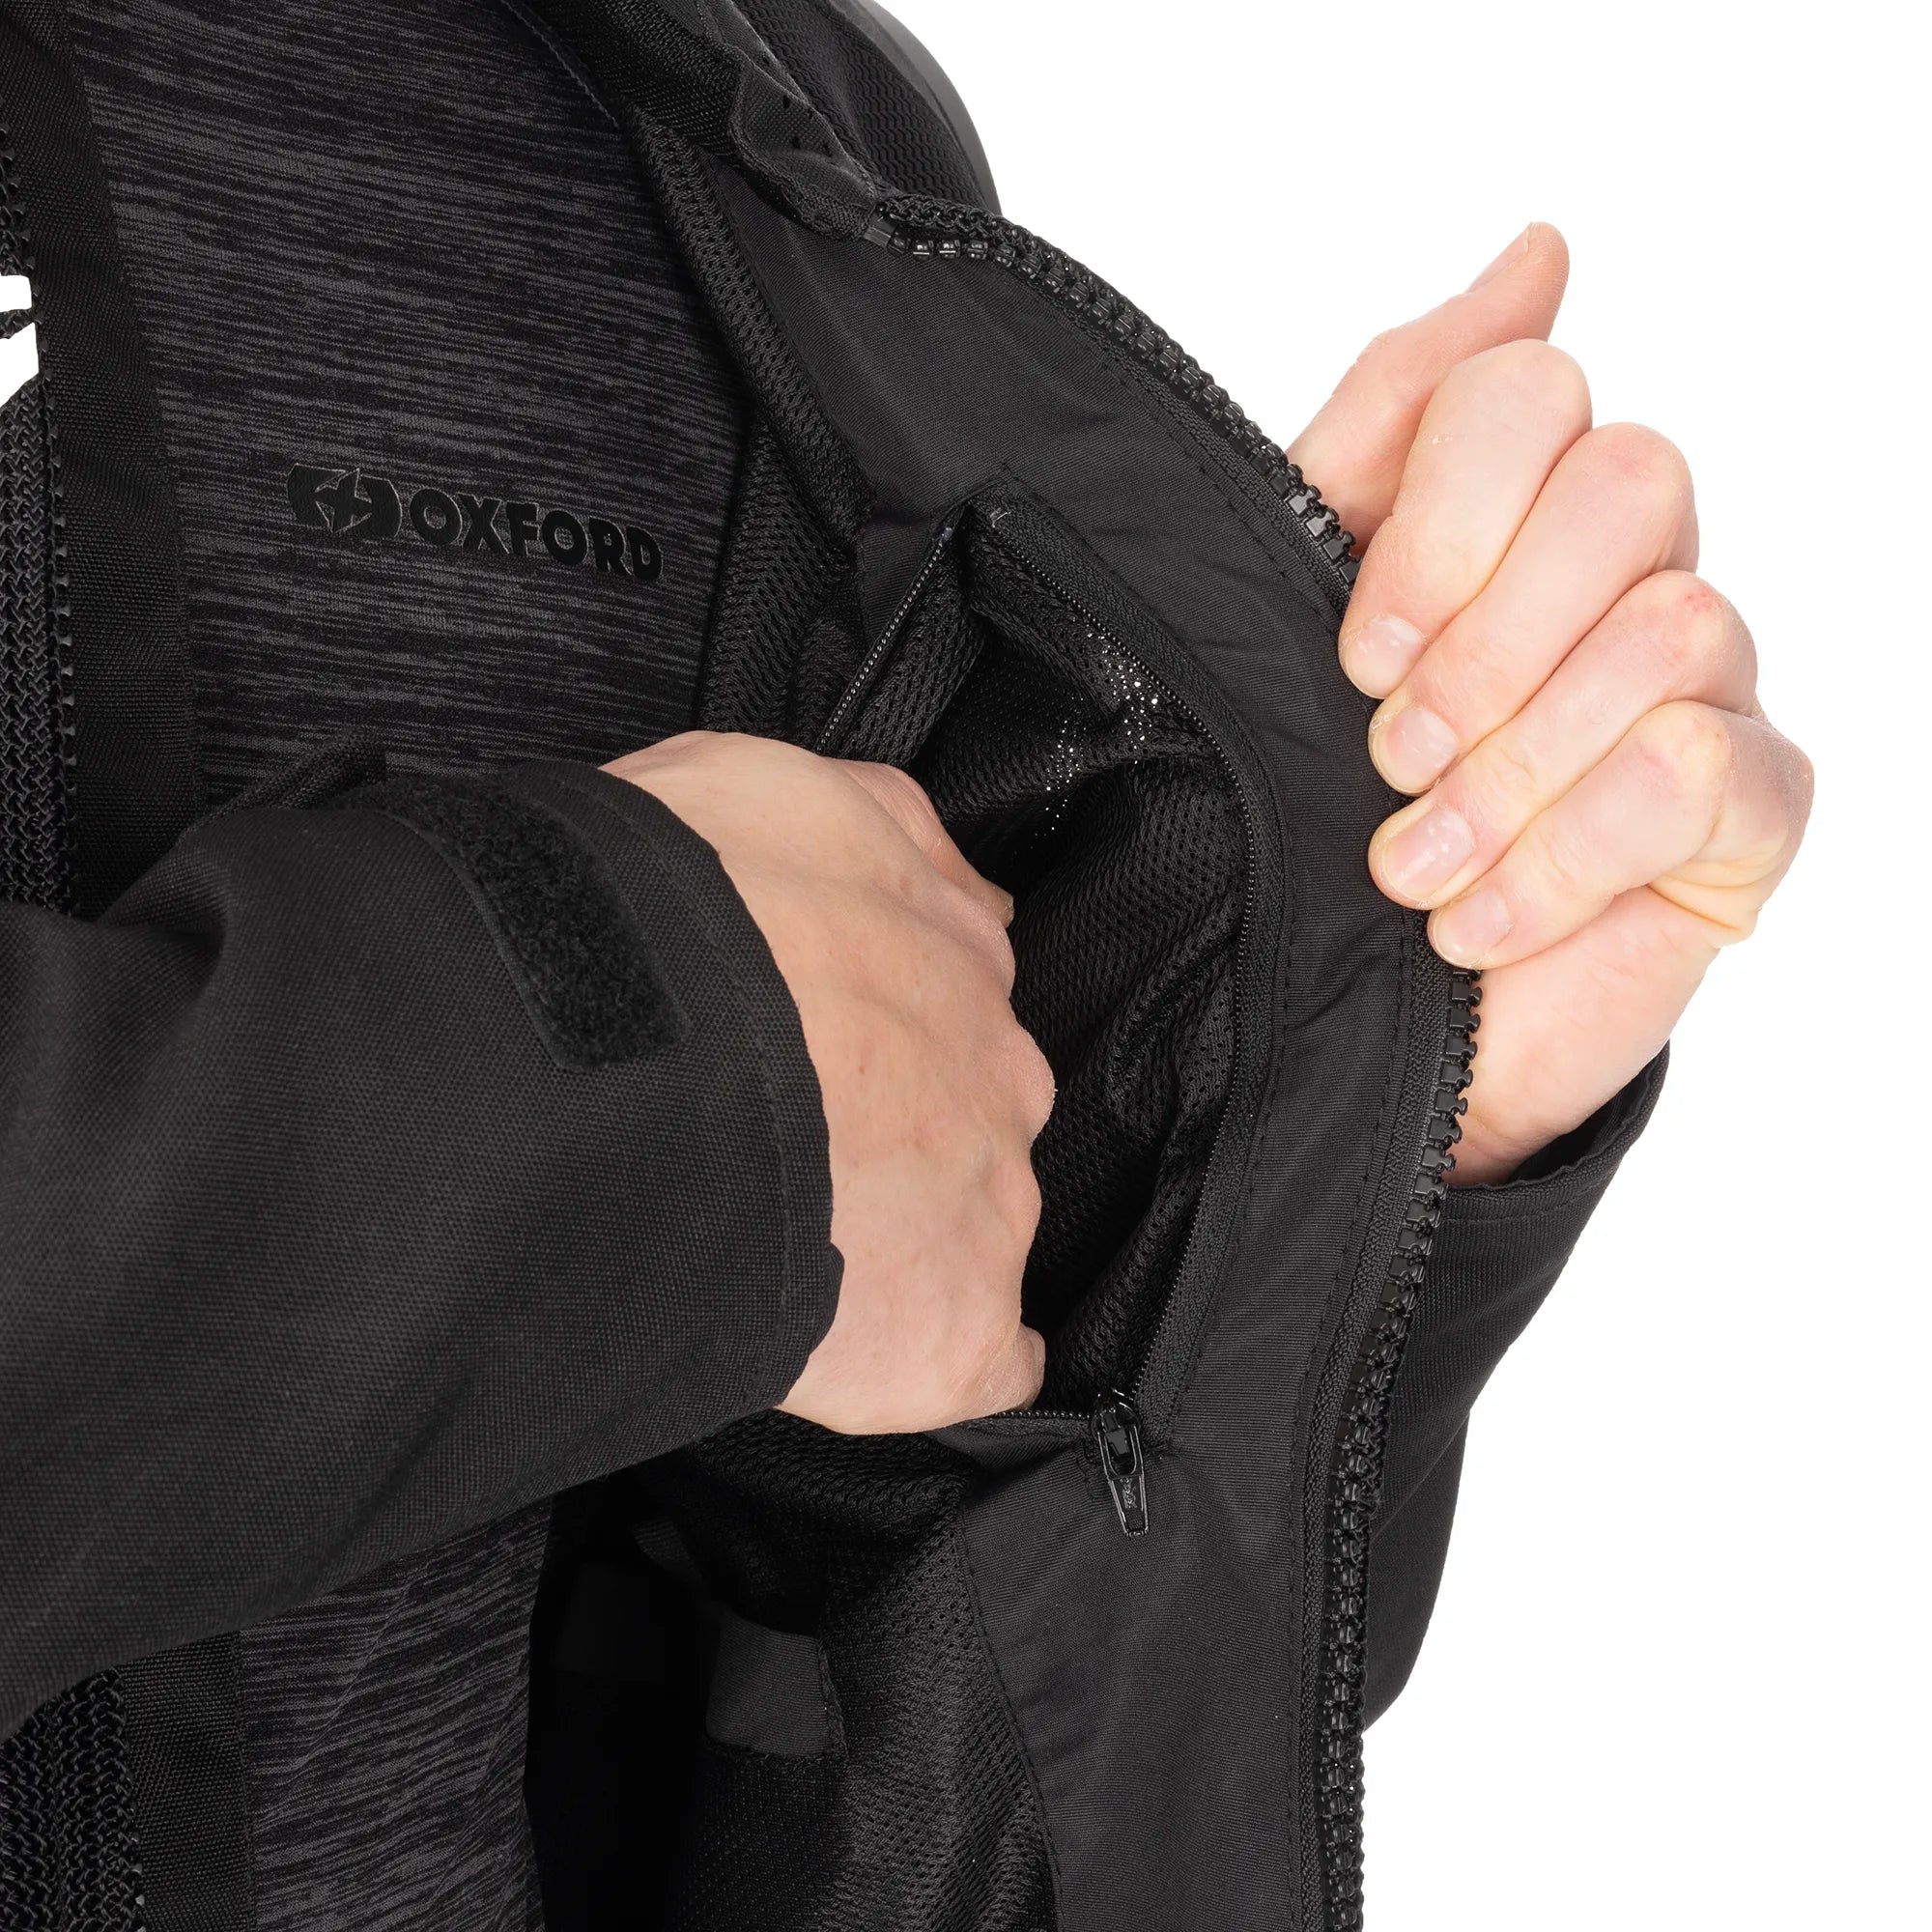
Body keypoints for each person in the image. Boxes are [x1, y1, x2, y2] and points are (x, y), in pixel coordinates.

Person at [0, 4, 1810, 1924]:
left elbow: (746, 1673)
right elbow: (658, 1129)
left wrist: (1274, 1119)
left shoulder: (742, 119)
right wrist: (645, 1078)